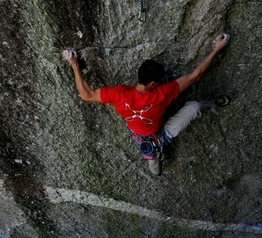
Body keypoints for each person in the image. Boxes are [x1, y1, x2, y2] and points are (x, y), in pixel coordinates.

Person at [63, 33, 230, 175]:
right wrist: (217, 48)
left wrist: (75, 64)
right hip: (148, 138)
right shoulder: (162, 93)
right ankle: (157, 168)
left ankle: (212, 104)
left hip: (153, 132)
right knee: (155, 164)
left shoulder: (119, 93)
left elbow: (86, 94)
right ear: (153, 84)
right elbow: (196, 76)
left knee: (155, 160)